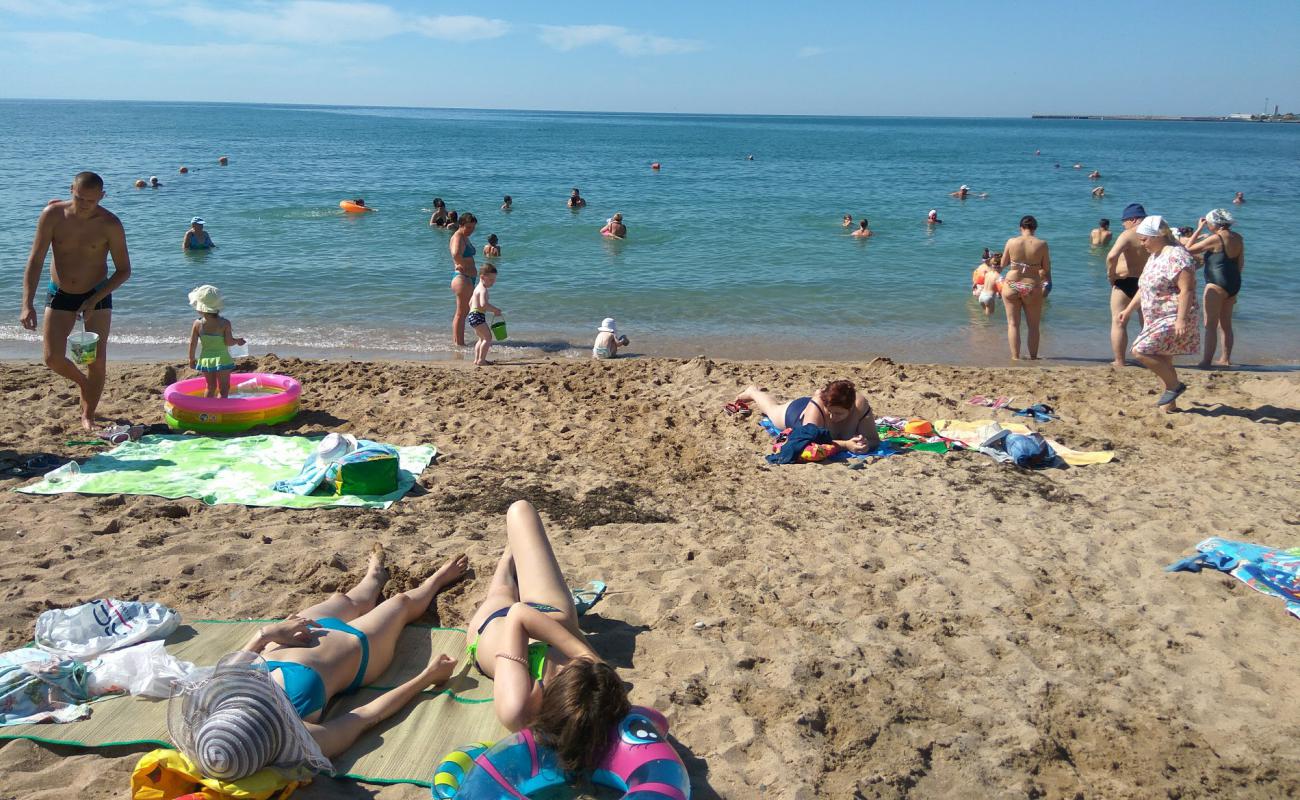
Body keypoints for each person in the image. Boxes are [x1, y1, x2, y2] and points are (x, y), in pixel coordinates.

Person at [206, 548, 468, 769]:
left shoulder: (222, 697)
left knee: (347, 599)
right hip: (359, 647)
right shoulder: (301, 739)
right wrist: (426, 678)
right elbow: (366, 715)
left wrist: (266, 634)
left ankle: (374, 576)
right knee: (399, 603)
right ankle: (436, 581)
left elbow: (239, 656)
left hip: (299, 629)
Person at [465, 500, 631, 777]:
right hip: (550, 614)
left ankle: (510, 560)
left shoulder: (518, 706)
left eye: (571, 668)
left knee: (504, 586)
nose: (570, 664)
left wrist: (586, 656)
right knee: (520, 510)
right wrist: (592, 661)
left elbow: (517, 615)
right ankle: (517, 552)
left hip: (497, 625)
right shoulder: (593, 698)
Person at [19, 171, 132, 431]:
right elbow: (35, 260)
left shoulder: (110, 224)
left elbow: (124, 270)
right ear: (71, 189)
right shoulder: (53, 215)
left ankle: (88, 414)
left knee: (96, 361)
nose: (84, 205)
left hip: (97, 294)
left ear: (101, 197)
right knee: (52, 358)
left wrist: (94, 299)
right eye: (79, 198)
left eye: (90, 201)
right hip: (60, 293)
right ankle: (84, 384)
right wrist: (27, 303)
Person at [1118, 216, 1200, 411]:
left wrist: (1181, 319)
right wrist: (1128, 310)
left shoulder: (1177, 256)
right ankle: (1169, 405)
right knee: (1164, 357)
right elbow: (1145, 286)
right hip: (1155, 316)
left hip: (1172, 315)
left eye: (1144, 239)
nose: (1141, 243)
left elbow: (1186, 289)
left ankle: (1175, 386)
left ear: (1157, 236)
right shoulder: (1156, 254)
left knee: (1140, 350)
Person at [732, 380, 881, 453]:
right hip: (797, 413)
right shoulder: (818, 407)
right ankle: (753, 392)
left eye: (839, 414)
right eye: (830, 411)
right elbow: (810, 443)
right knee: (771, 410)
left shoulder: (860, 407)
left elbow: (874, 440)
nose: (832, 416)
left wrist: (866, 444)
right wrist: (846, 445)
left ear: (850, 409)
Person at [1181, 209, 1244, 367]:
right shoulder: (1238, 238)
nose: (1207, 225)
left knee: (1210, 325)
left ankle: (1206, 361)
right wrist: (1234, 288)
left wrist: (1198, 230)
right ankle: (1225, 359)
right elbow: (1240, 264)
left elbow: (1186, 250)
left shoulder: (1215, 239)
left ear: (1214, 223)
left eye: (1208, 222)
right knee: (1226, 324)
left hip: (1216, 284)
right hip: (1233, 282)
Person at [999, 215, 1051, 360]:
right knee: (1033, 326)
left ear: (1020, 228)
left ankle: (1015, 357)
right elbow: (1046, 268)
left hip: (1011, 284)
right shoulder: (1042, 244)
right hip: (1031, 285)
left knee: (1013, 324)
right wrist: (1048, 284)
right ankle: (1033, 357)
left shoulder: (1011, 242)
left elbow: (1003, 264)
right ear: (1035, 228)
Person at [1105, 203, 1150, 367]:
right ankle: (1149, 358)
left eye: (1124, 221)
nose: (1123, 224)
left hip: (1126, 281)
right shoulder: (1155, 233)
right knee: (1146, 323)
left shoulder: (1127, 235)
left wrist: (1111, 275)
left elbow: (1111, 256)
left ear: (1133, 219)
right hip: (1146, 282)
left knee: (1119, 321)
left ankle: (1119, 360)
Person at [186, 285, 245, 399]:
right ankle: (220, 411)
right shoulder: (224, 323)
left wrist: (191, 359)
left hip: (206, 360)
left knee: (210, 387)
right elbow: (228, 342)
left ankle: (207, 411)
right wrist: (238, 341)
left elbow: (192, 343)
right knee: (224, 388)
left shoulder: (197, 324)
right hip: (222, 359)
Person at [449, 212, 478, 347]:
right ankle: (459, 344)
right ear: (461, 225)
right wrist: (463, 266)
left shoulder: (464, 237)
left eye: (473, 227)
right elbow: (455, 254)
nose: (471, 230)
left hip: (466, 279)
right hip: (462, 278)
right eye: (468, 227)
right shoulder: (458, 237)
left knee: (463, 312)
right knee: (461, 313)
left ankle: (458, 342)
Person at [467, 264, 501, 366]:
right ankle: (481, 360)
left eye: (494, 280)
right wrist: (495, 310)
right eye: (490, 280)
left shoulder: (477, 288)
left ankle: (477, 359)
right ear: (482, 277)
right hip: (478, 316)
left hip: (472, 315)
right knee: (488, 338)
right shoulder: (483, 289)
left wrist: (473, 312)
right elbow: (483, 304)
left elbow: (470, 303)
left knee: (481, 339)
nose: (493, 282)